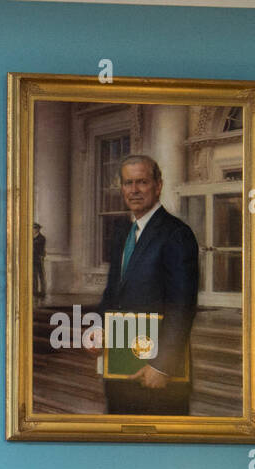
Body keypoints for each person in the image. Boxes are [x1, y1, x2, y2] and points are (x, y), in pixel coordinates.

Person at [98, 154, 199, 415]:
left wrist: (162, 365)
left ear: (158, 185)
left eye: (141, 182)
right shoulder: (122, 231)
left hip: (158, 378)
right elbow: (113, 292)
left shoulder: (177, 234)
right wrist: (97, 328)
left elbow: (182, 306)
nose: (134, 190)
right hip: (121, 367)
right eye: (128, 183)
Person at [32, 223, 46, 301]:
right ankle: (35, 292)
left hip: (39, 259)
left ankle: (42, 292)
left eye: (34, 228)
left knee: (41, 276)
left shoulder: (41, 238)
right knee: (34, 277)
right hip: (33, 259)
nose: (33, 230)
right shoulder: (32, 238)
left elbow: (38, 249)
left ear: (37, 229)